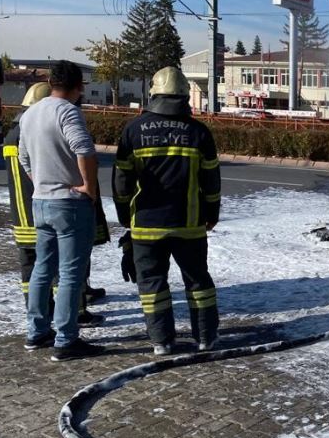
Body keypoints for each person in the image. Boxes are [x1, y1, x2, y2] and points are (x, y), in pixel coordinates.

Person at [113, 66, 221, 355]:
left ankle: (161, 341)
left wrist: (125, 217)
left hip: (146, 226)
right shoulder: (199, 132)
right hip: (190, 224)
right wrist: (212, 214)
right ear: (185, 96)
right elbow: (211, 181)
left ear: (154, 95)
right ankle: (206, 337)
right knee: (198, 281)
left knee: (152, 284)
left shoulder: (133, 130)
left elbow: (121, 182)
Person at [18, 61, 104, 361]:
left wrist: (41, 182)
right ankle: (66, 340)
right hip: (69, 203)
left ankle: (37, 331)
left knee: (42, 268)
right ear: (78, 86)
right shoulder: (68, 112)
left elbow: (24, 158)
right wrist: (88, 187)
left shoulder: (30, 114)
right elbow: (84, 150)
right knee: (70, 273)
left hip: (41, 202)